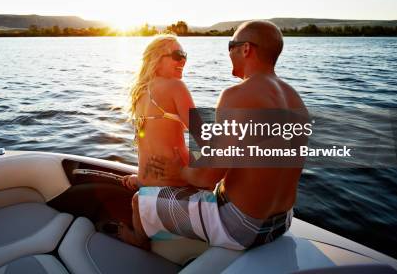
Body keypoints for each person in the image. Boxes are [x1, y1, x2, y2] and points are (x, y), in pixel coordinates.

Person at [129, 20, 308, 251]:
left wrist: (179, 170)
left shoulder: (236, 95)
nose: (229, 53)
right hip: (282, 222)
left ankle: (137, 243)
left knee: (139, 202)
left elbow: (207, 178)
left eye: (230, 45)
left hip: (240, 227)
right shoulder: (295, 99)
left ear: (246, 49)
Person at [118, 34, 195, 248]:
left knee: (137, 199)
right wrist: (196, 175)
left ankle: (138, 235)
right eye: (177, 56)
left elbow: (149, 144)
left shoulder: (141, 92)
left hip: (150, 185)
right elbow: (208, 136)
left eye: (185, 56)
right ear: (156, 59)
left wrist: (141, 178)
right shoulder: (175, 87)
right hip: (175, 182)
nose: (183, 61)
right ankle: (139, 241)